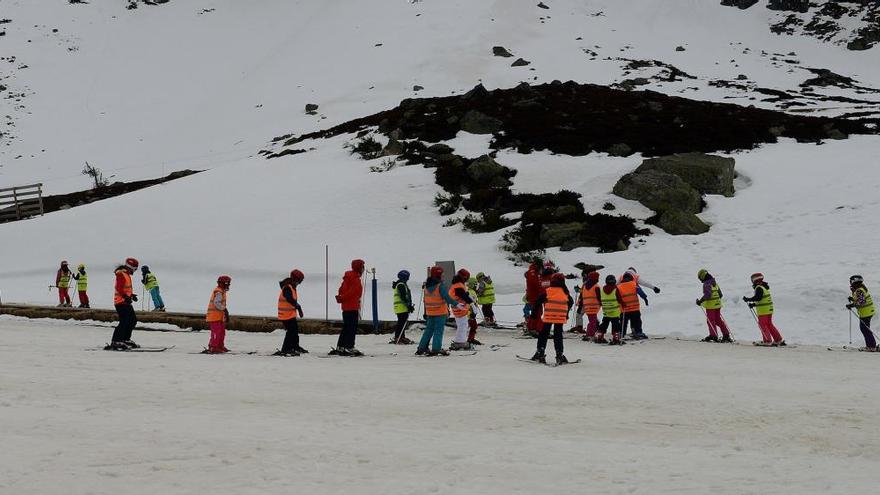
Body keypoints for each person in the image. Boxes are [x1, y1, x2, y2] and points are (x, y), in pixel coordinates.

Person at [417, 266, 460, 356]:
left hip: (430, 312)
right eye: (442, 274)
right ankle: (436, 348)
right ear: (438, 275)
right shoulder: (440, 285)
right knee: (438, 331)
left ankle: (421, 347)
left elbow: (425, 299)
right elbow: (446, 297)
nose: (443, 276)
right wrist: (456, 304)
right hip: (440, 312)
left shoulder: (426, 286)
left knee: (428, 330)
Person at [531, 273, 573, 364]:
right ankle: (559, 354)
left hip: (549, 315)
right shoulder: (565, 292)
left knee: (544, 333)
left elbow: (538, 301)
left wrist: (534, 314)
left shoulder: (548, 291)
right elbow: (571, 302)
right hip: (560, 316)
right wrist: (566, 313)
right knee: (558, 335)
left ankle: (540, 353)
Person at [331, 259, 365, 356]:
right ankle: (349, 346)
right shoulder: (355, 279)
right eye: (362, 267)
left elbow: (341, 290)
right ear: (359, 268)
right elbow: (353, 293)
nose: (363, 269)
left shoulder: (347, 278)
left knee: (346, 327)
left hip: (346, 307)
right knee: (352, 328)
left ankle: (341, 346)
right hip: (352, 307)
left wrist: (341, 298)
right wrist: (344, 298)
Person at [742, 273, 785, 346]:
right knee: (769, 325)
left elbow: (758, 298)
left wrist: (748, 299)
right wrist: (754, 304)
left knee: (762, 325)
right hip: (768, 309)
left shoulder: (759, 288)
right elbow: (762, 300)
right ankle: (778, 339)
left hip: (763, 311)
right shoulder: (763, 287)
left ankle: (767, 340)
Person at [106, 258, 139, 350]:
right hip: (120, 302)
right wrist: (125, 297)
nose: (134, 271)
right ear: (130, 267)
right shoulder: (121, 274)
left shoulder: (126, 274)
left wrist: (131, 295)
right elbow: (119, 288)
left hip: (125, 302)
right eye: (135, 269)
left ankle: (125, 339)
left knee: (133, 320)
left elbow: (125, 288)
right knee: (124, 321)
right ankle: (116, 341)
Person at [695, 269, 732, 343]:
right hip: (718, 305)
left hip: (711, 306)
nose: (700, 280)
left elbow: (708, 295)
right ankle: (726, 335)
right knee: (718, 320)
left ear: (702, 276)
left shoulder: (706, 284)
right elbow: (720, 295)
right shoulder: (714, 283)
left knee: (710, 321)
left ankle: (713, 336)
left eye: (700, 278)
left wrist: (700, 301)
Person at [276, 269, 307, 355]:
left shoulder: (292, 287)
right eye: (299, 281)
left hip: (290, 315)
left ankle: (295, 346)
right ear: (294, 279)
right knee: (291, 332)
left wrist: (298, 308)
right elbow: (289, 299)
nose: (299, 284)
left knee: (295, 331)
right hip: (285, 315)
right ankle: (286, 349)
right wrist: (298, 307)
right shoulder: (287, 288)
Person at [846, 275, 877, 351]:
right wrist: (853, 299)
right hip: (866, 312)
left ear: (854, 281)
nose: (850, 283)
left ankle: (872, 346)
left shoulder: (859, 290)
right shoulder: (859, 289)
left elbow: (862, 302)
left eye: (851, 281)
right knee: (865, 329)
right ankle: (870, 346)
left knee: (865, 329)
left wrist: (852, 305)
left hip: (866, 312)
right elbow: (860, 299)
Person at [449, 268, 477, 350]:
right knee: (463, 325)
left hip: (458, 307)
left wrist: (467, 294)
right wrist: (471, 303)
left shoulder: (456, 284)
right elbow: (462, 295)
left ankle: (459, 341)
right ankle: (460, 342)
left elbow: (462, 294)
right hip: (460, 308)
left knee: (462, 325)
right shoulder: (458, 285)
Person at [617, 272, 649, 340]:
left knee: (623, 323)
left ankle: (622, 334)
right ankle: (638, 332)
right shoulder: (633, 284)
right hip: (635, 308)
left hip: (624, 309)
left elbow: (617, 297)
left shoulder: (618, 286)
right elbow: (640, 292)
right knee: (637, 321)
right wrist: (645, 298)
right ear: (631, 278)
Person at [596, 274, 625, 345]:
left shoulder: (602, 289)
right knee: (616, 326)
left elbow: (600, 299)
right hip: (614, 312)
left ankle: (600, 336)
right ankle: (616, 338)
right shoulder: (615, 289)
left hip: (606, 311)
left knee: (604, 324)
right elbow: (619, 299)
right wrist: (624, 304)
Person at [206, 275, 232, 353]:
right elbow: (217, 303)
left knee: (222, 332)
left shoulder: (222, 291)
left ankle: (220, 345)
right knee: (216, 332)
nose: (229, 285)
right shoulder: (218, 292)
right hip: (214, 317)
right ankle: (213, 346)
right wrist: (224, 309)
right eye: (227, 283)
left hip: (219, 317)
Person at [391, 270, 415, 344]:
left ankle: (401, 336)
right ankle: (398, 337)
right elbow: (403, 297)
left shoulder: (400, 284)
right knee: (401, 322)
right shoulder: (401, 285)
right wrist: (408, 306)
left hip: (400, 307)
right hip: (402, 307)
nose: (408, 279)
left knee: (402, 322)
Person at [579, 271, 601, 340]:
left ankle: (589, 333)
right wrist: (601, 303)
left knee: (591, 321)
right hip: (594, 306)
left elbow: (582, 296)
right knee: (593, 322)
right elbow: (599, 297)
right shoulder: (596, 286)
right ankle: (590, 334)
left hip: (587, 307)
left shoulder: (585, 286)